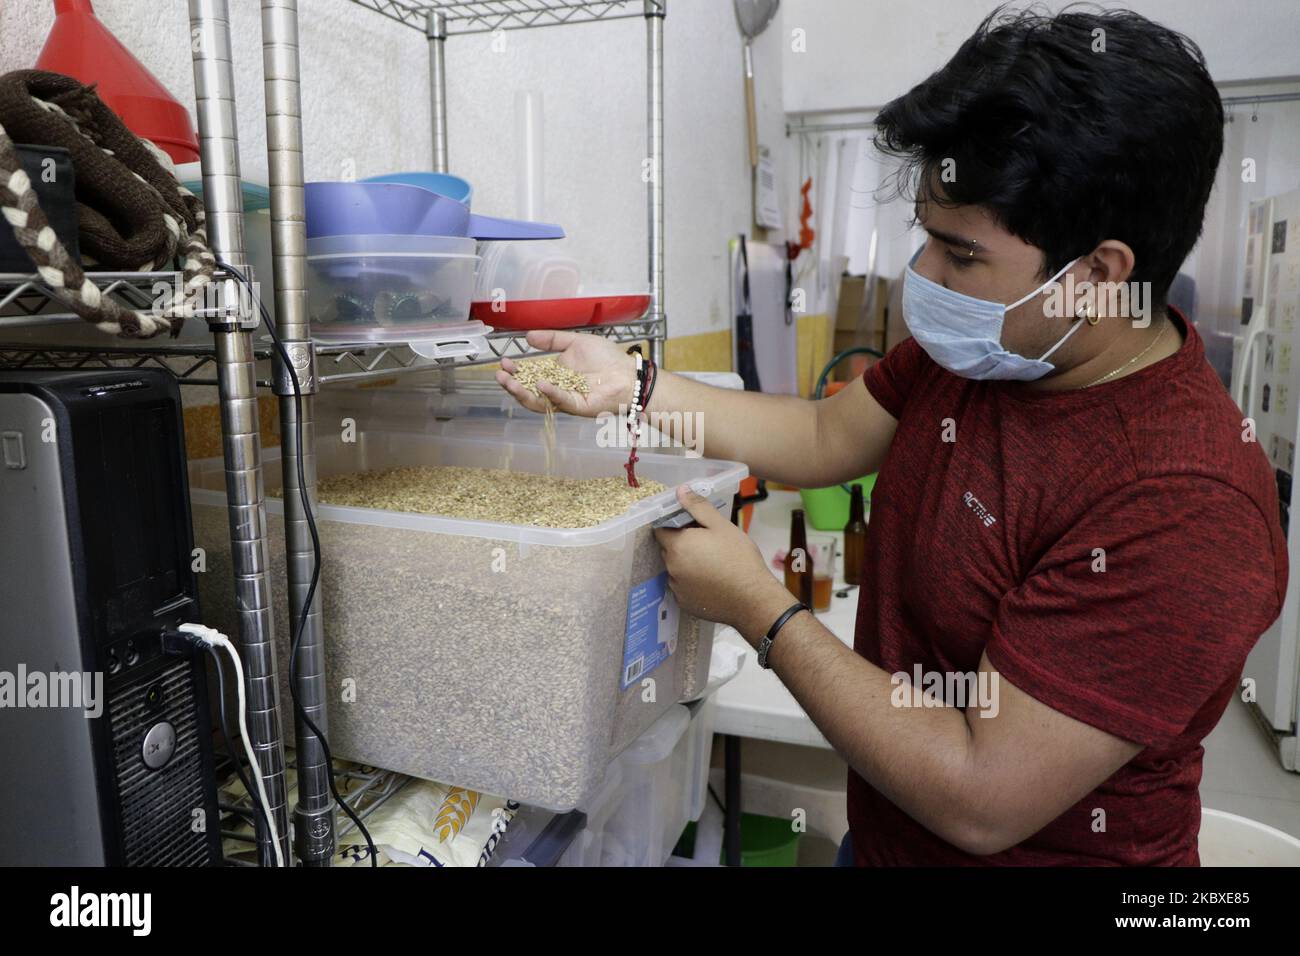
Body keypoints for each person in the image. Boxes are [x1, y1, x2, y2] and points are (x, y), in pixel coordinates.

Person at [496, 7, 1286, 865]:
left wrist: (760, 609)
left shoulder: (1184, 505)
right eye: (926, 238)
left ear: (1096, 275)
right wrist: (635, 385)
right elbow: (819, 437)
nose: (925, 275)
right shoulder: (993, 346)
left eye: (961, 254)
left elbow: (983, 795)